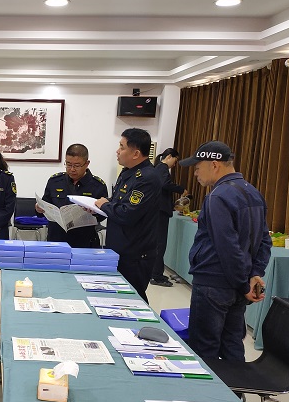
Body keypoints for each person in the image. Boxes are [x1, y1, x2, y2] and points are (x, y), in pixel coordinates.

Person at [179, 140, 271, 362]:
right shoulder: (253, 192)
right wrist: (253, 275)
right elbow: (264, 240)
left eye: (197, 167)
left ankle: (209, 386)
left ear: (214, 164)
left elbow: (227, 247)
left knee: (204, 348)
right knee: (232, 344)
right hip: (237, 285)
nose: (195, 173)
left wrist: (243, 283)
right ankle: (235, 385)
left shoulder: (218, 197)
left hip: (214, 283)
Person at [93, 128, 161, 302]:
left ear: (136, 153)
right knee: (118, 298)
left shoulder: (147, 178)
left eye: (122, 147)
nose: (117, 151)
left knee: (132, 299)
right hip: (120, 248)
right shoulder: (128, 172)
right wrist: (98, 206)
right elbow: (119, 201)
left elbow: (128, 214)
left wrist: (105, 205)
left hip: (135, 254)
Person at [35, 143, 107, 247]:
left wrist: (94, 213)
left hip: (85, 241)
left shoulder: (97, 185)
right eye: (68, 164)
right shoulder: (55, 181)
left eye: (77, 166)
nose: (72, 169)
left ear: (87, 164)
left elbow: (103, 215)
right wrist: (39, 209)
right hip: (57, 239)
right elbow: (44, 207)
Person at [150, 148, 186, 287]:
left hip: (158, 211)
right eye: (175, 161)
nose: (174, 165)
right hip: (160, 212)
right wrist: (181, 189)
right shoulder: (162, 168)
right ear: (169, 156)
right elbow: (165, 184)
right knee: (160, 244)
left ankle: (156, 272)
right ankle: (156, 276)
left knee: (158, 244)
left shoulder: (159, 168)